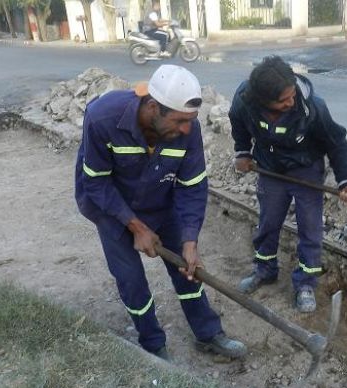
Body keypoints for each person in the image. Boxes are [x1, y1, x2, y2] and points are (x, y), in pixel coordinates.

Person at [75, 64, 246, 360]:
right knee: (131, 280)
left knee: (189, 270)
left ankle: (208, 333)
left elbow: (192, 186)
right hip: (110, 206)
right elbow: (96, 182)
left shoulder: (187, 131)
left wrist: (189, 241)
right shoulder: (103, 118)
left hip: (159, 199)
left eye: (190, 121)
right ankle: (153, 345)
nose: (187, 130)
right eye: (180, 121)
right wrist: (136, 227)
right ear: (153, 107)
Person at [229, 55, 347, 313]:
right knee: (268, 223)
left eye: (292, 95)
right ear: (263, 100)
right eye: (283, 100)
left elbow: (336, 143)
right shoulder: (245, 100)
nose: (291, 101)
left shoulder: (313, 108)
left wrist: (346, 179)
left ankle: (305, 283)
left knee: (310, 228)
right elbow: (237, 122)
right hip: (270, 169)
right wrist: (243, 152)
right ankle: (265, 270)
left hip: (306, 170)